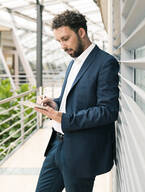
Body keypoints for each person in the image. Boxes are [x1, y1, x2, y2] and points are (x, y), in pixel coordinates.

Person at [33, 10, 119, 192]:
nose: (62, 46)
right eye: (59, 41)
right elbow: (72, 100)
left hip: (81, 152)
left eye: (65, 39)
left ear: (81, 32)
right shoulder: (73, 62)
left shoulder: (105, 63)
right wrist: (55, 103)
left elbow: (107, 111)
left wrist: (63, 118)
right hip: (57, 145)